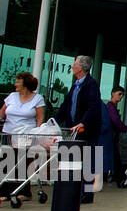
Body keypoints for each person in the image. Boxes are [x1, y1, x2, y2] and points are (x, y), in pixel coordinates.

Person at [54, 55, 102, 203]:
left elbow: (93, 106)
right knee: (72, 158)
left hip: (86, 129)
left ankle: (87, 194)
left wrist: (84, 123)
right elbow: (66, 105)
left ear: (80, 67)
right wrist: (54, 122)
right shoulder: (75, 85)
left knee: (88, 160)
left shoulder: (91, 84)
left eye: (74, 63)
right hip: (72, 128)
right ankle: (71, 191)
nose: (72, 66)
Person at [1, 72, 46, 203]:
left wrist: (36, 133)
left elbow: (40, 117)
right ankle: (5, 192)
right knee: (5, 161)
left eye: (18, 82)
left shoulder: (37, 99)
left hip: (26, 135)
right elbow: (2, 112)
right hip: (8, 133)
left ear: (25, 85)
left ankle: (23, 192)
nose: (15, 84)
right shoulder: (12, 96)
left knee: (20, 161)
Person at [100, 86, 127, 186]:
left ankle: (119, 178)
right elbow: (116, 121)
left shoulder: (111, 107)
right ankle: (120, 179)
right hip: (109, 136)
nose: (121, 96)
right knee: (115, 158)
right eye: (119, 94)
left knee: (114, 158)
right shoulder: (110, 107)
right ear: (113, 94)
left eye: (122, 94)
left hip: (111, 136)